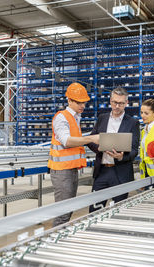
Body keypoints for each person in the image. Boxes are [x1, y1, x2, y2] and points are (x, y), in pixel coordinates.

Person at [48, 82, 99, 226]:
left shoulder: (76, 117)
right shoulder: (61, 118)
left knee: (68, 209)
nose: (82, 106)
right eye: (78, 102)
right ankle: (52, 241)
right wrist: (91, 138)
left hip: (70, 169)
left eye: (84, 102)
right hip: (61, 170)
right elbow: (67, 141)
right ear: (69, 100)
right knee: (63, 212)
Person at [88, 87, 140, 212]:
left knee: (119, 211)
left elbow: (134, 150)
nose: (117, 106)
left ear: (126, 103)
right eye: (115, 102)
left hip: (120, 174)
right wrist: (99, 148)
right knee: (94, 209)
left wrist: (122, 157)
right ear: (110, 101)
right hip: (102, 172)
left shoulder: (132, 123)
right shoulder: (102, 118)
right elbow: (90, 139)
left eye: (121, 103)